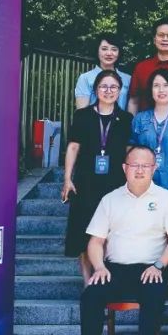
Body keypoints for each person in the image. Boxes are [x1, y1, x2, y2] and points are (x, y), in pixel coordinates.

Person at [74, 145, 168, 335]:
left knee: (153, 298)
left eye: (145, 165)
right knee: (90, 297)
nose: (140, 170)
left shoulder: (167, 199)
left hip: (150, 270)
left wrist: (159, 265)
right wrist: (99, 267)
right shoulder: (110, 199)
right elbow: (95, 241)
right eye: (135, 165)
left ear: (154, 168)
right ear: (124, 168)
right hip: (113, 270)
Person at [62, 71, 134, 280]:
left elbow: (129, 152)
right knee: (83, 234)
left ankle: (105, 281)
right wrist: (67, 179)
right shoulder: (83, 116)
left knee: (110, 234)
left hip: (115, 183)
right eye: (103, 86)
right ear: (95, 90)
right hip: (85, 182)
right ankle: (88, 284)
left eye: (113, 87)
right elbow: (73, 147)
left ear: (120, 91)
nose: (108, 91)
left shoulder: (126, 119)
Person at [130, 69, 168, 203]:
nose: (161, 90)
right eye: (156, 86)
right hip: (145, 178)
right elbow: (131, 149)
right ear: (150, 90)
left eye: (166, 85)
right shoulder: (140, 119)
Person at [74, 35, 132, 110]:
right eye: (104, 49)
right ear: (97, 51)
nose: (109, 53)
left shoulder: (127, 79)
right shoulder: (85, 78)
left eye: (114, 49)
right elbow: (82, 111)